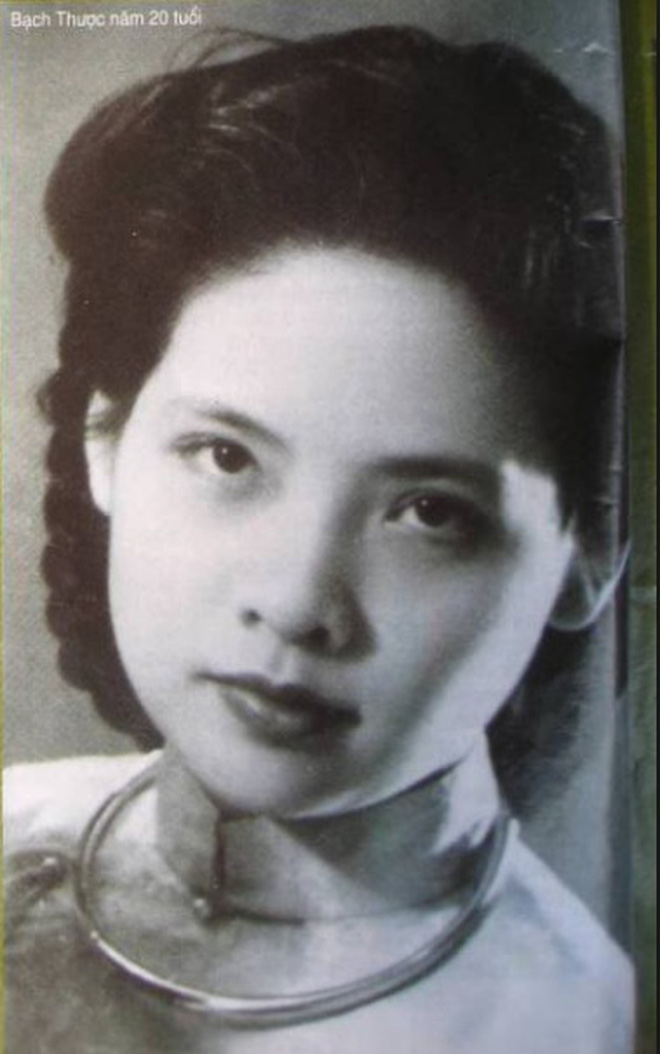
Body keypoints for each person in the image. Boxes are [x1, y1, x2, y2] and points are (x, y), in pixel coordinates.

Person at [4, 24, 633, 1054]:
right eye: (226, 457)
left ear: (587, 553)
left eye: (430, 512)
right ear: (107, 440)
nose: (299, 602)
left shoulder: (578, 1024)